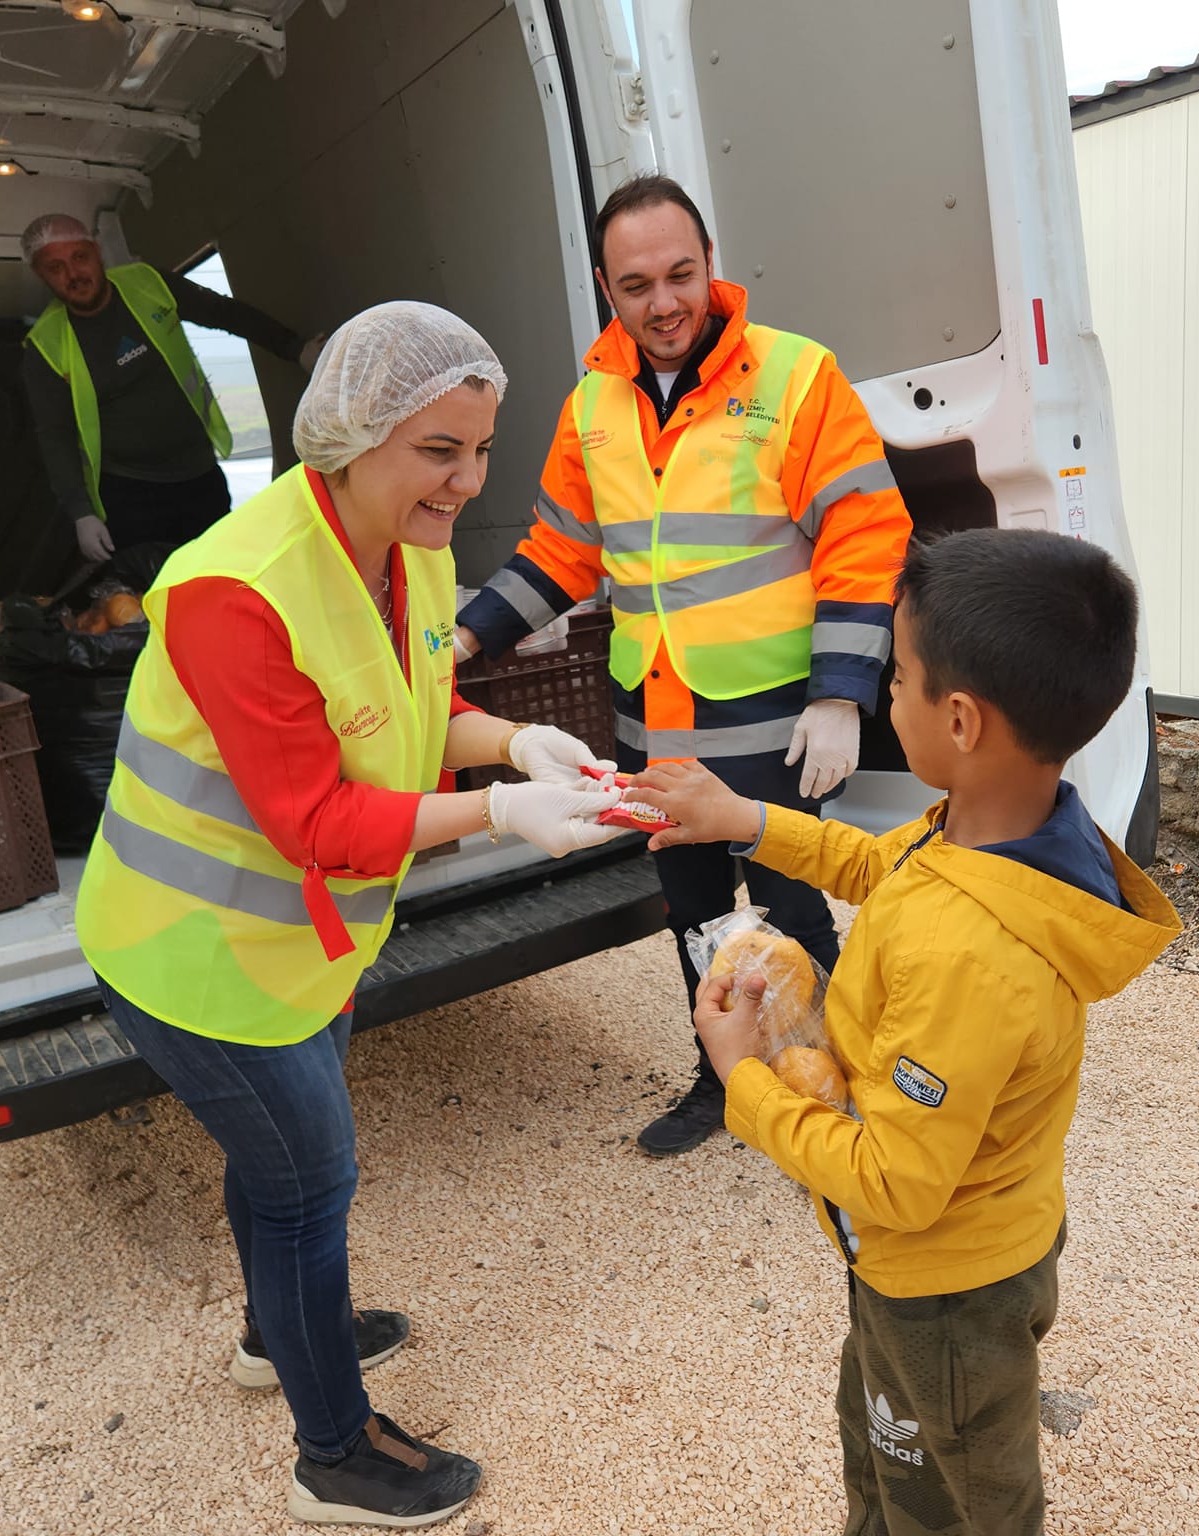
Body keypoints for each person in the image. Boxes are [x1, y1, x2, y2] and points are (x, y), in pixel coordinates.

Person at [73, 302, 624, 1528]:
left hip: (286, 944)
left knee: (275, 1172)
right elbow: (314, 823)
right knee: (309, 1182)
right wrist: (494, 818)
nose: (466, 482)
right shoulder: (234, 589)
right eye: (440, 451)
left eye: (480, 450)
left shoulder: (406, 547)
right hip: (191, 953)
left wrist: (513, 741)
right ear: (351, 434)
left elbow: (412, 718)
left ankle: (278, 1334)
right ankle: (334, 1451)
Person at [628, 529, 1183, 1535]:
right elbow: (874, 866)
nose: (885, 697)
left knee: (961, 1493)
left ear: (960, 719)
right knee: (884, 1440)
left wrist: (738, 1078)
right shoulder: (997, 830)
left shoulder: (967, 955)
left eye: (898, 679)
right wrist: (742, 819)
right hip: (950, 1258)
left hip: (943, 1290)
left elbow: (895, 1181)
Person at [454, 174, 913, 1157]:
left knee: (788, 905)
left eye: (680, 275)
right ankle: (723, 1085)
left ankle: (826, 1090)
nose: (663, 303)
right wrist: (464, 634)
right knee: (693, 906)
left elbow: (863, 533)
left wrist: (840, 695)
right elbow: (561, 550)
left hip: (769, 713)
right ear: (605, 290)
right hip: (652, 717)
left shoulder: (793, 376)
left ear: (711, 267)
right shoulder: (589, 406)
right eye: (636, 285)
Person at [19, 213, 324, 562]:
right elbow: (54, 435)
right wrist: (81, 513)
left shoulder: (148, 283)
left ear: (97, 251)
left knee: (221, 576)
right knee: (154, 599)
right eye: (55, 267)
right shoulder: (44, 346)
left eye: (79, 257)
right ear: (40, 275)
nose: (73, 275)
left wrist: (295, 349)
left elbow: (224, 313)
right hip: (128, 494)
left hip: (199, 472)